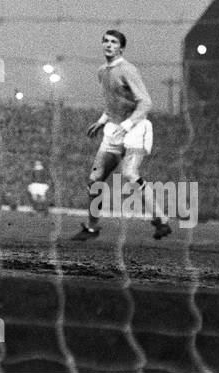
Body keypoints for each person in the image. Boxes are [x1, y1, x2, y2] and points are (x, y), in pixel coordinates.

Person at [74, 30, 172, 241]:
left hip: (136, 127)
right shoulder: (102, 72)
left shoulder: (128, 70)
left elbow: (145, 103)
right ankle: (91, 228)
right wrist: (101, 121)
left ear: (121, 48)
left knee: (129, 173)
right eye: (106, 41)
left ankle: (161, 220)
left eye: (114, 42)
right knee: (94, 180)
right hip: (113, 129)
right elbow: (113, 103)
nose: (109, 45)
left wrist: (128, 124)